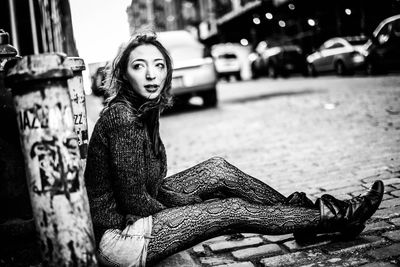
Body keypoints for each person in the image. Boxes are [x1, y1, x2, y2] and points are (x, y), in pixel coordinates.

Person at [84, 32, 384, 267]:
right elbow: (135, 202)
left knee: (216, 169)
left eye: (159, 66)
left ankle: (300, 216)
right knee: (232, 210)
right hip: (121, 239)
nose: (151, 75)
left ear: (167, 72)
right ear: (124, 74)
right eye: (139, 66)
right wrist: (201, 211)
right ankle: (338, 216)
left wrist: (193, 202)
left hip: (136, 217)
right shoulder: (123, 117)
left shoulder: (143, 111)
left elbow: (150, 187)